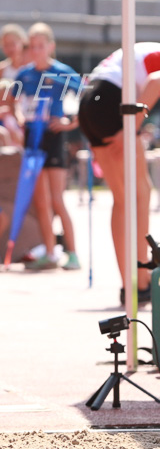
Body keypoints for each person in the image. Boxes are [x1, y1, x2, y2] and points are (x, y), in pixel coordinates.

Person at [78, 42, 160, 305]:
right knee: (140, 196)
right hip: (113, 102)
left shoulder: (145, 50)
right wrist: (131, 127)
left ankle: (131, 285)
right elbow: (156, 81)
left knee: (124, 200)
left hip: (90, 103)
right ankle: (141, 283)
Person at [14, 22, 82, 271]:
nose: (36, 50)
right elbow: (15, 103)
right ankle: (50, 252)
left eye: (41, 46)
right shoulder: (24, 74)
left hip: (54, 138)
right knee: (40, 201)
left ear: (50, 47)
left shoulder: (62, 72)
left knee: (57, 199)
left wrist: (69, 123)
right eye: (32, 46)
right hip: (32, 137)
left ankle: (73, 253)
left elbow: (86, 98)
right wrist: (20, 119)